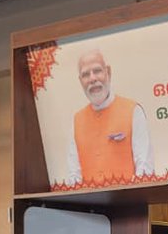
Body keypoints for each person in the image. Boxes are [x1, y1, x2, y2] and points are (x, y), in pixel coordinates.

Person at [66, 47, 154, 186]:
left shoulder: (133, 111)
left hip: (130, 198)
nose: (92, 79)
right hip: (89, 200)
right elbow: (74, 176)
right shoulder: (76, 121)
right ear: (80, 80)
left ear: (108, 72)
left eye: (97, 71)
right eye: (86, 74)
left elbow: (145, 168)